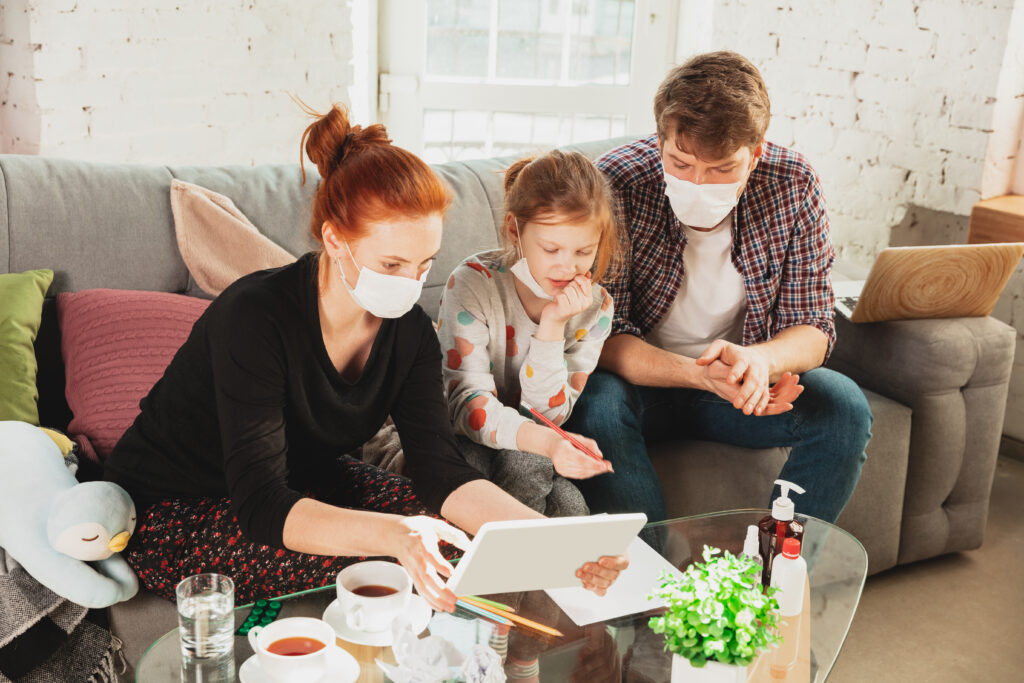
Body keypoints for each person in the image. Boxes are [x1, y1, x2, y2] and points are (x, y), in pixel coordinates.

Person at [103, 104, 626, 611]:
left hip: (301, 484)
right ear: (335, 239)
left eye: (423, 264)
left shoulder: (410, 334)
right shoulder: (254, 317)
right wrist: (395, 534)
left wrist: (553, 541)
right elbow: (261, 503)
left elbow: (440, 472)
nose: (409, 282)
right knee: (412, 548)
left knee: (458, 541)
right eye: (391, 262)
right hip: (176, 507)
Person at [564, 51, 872, 525]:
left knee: (843, 406)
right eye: (680, 163)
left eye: (723, 169)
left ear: (757, 153)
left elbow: (812, 326)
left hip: (737, 388)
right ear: (659, 142)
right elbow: (598, 336)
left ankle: (774, 577)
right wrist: (695, 374)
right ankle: (651, 591)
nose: (698, 183)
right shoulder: (617, 181)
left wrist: (761, 360)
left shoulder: (792, 183)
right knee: (594, 401)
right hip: (638, 384)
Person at [437, 150, 620, 518]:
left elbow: (548, 415)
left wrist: (552, 327)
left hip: (535, 442)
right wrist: (544, 444)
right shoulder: (473, 282)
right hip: (463, 434)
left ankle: (527, 561)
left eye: (584, 251)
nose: (567, 267)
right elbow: (466, 404)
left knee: (571, 506)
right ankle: (516, 563)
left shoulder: (596, 308)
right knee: (480, 469)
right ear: (514, 231)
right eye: (551, 249)